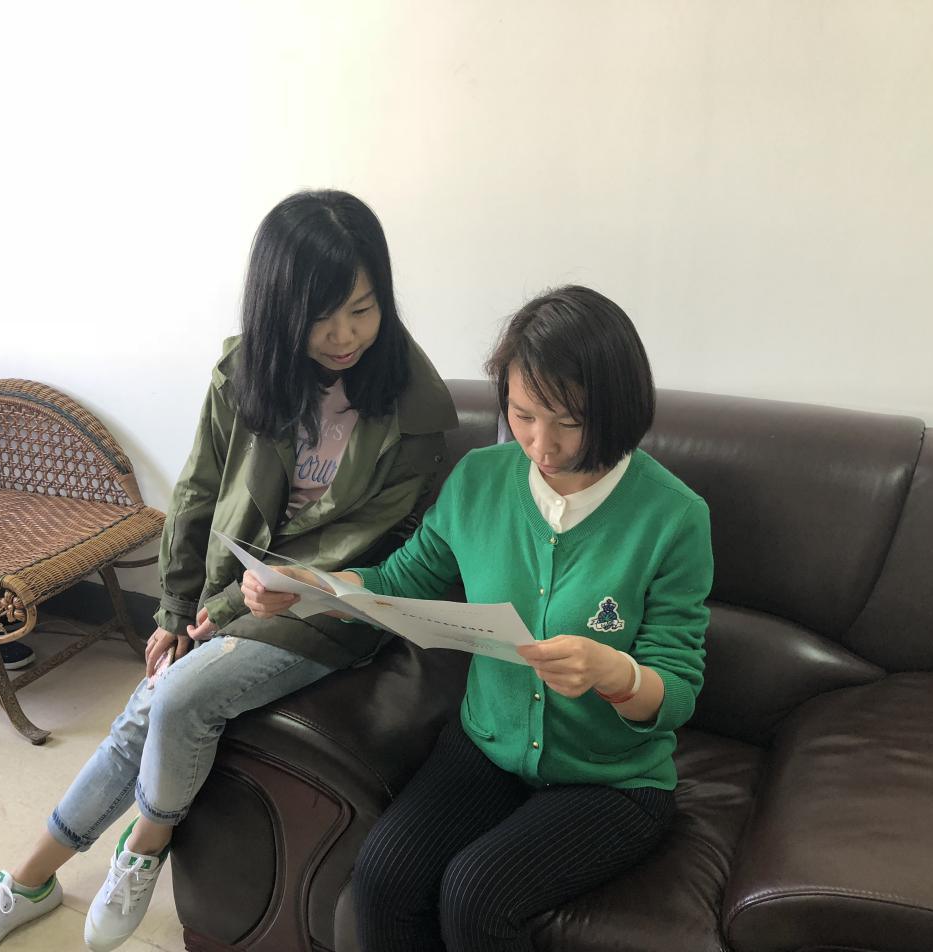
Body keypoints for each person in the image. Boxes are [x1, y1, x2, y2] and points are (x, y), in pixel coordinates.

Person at [0, 190, 457, 952]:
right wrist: (175, 612)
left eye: (362, 309)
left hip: (329, 611)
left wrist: (242, 609)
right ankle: (27, 880)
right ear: (279, 308)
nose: (344, 335)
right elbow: (197, 492)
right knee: (152, 699)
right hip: (230, 591)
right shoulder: (246, 371)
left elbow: (369, 540)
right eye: (321, 317)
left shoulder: (416, 405)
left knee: (176, 697)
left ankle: (142, 845)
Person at [243, 285, 713, 952]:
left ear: (617, 408)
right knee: (380, 880)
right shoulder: (480, 479)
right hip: (486, 747)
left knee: (475, 894)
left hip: (613, 781)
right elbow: (402, 581)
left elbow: (677, 691)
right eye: (522, 415)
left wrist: (615, 674)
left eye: (569, 422)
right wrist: (313, 587)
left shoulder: (673, 516)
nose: (542, 444)